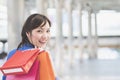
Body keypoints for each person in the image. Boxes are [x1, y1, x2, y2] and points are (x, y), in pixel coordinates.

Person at [2, 13, 57, 80]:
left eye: (48, 31)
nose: (45, 36)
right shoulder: (41, 55)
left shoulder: (12, 54)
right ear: (28, 33)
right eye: (39, 31)